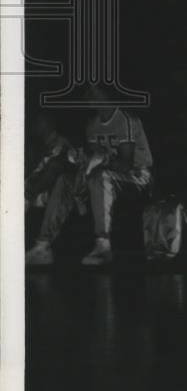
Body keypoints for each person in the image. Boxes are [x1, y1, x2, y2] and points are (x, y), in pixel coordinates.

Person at [25, 88, 154, 267]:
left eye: (94, 92)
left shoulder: (126, 119)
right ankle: (42, 246)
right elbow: (93, 160)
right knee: (66, 180)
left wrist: (104, 159)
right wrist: (79, 159)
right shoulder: (92, 125)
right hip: (105, 176)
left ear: (106, 93)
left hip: (138, 177)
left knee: (101, 176)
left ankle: (103, 246)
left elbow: (125, 164)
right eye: (87, 94)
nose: (89, 97)